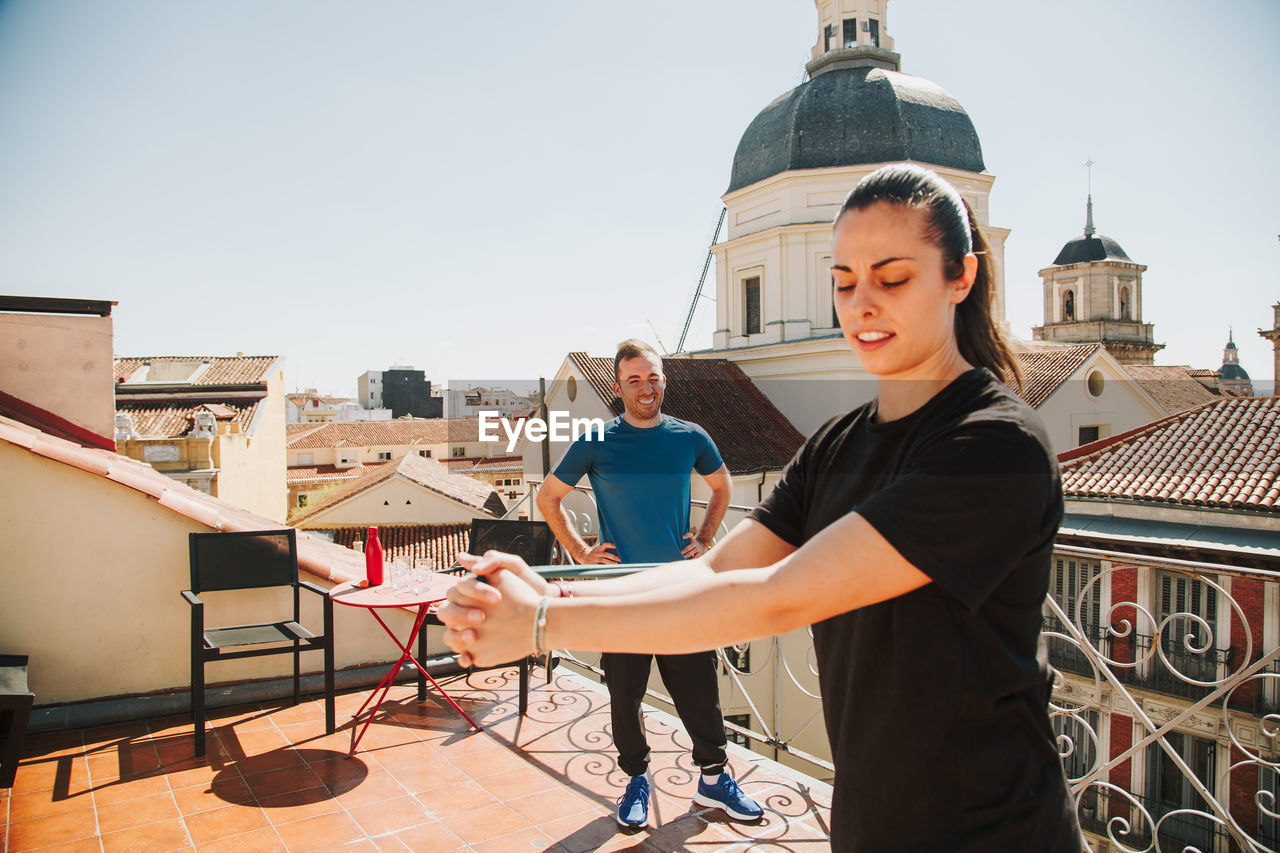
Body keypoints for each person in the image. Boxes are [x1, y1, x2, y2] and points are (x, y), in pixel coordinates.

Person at [440, 163, 1084, 851]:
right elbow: (717, 571)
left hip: (994, 830)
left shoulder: (995, 445)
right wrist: (552, 586)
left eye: (892, 278)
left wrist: (541, 624)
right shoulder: (838, 443)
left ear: (961, 276)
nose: (861, 304)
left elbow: (779, 596)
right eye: (842, 281)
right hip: (871, 824)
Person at [535, 338, 762, 828]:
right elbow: (548, 498)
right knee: (625, 695)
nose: (644, 387)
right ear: (618, 387)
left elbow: (723, 487)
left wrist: (704, 537)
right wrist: (581, 552)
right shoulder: (597, 441)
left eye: (652, 377)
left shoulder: (690, 437)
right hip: (623, 593)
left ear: (665, 381)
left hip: (681, 589)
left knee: (699, 693)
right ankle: (637, 780)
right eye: (634, 379)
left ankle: (714, 779)